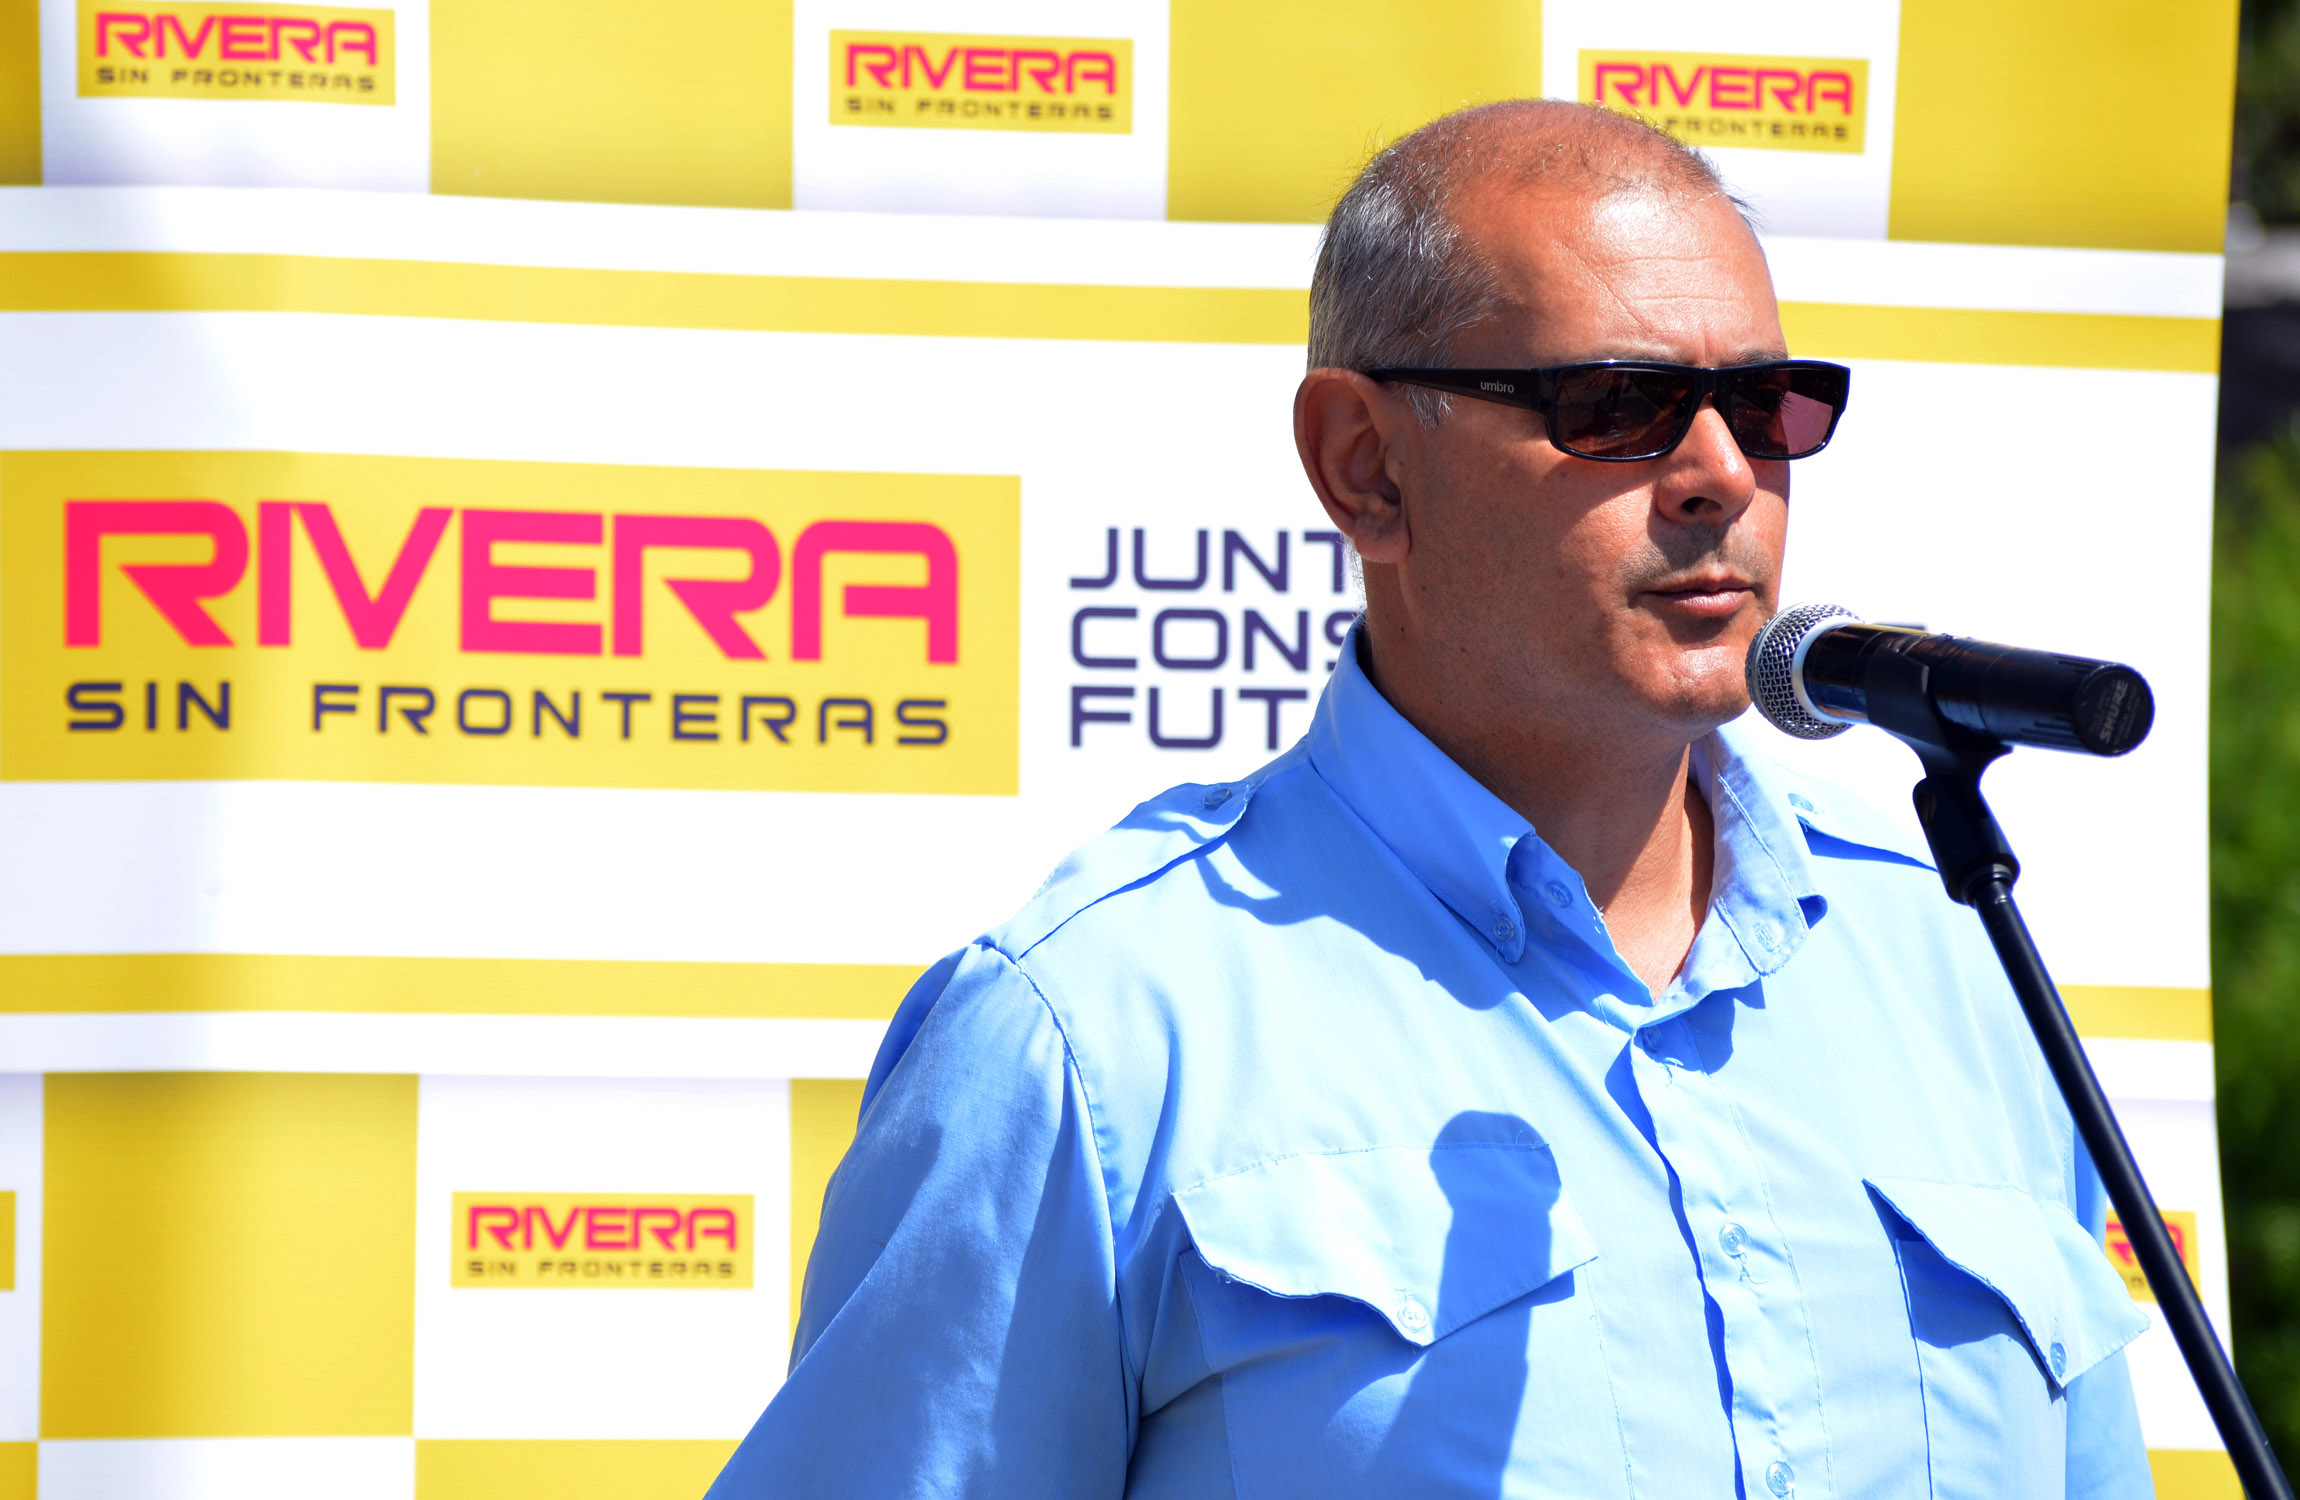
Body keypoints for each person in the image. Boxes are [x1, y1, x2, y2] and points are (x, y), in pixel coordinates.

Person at [709, 99, 2152, 1499]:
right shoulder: (1088, 1031)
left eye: (1769, 406)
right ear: (1367, 468)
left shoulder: (1957, 960)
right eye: (1621, 406)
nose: (1722, 474)